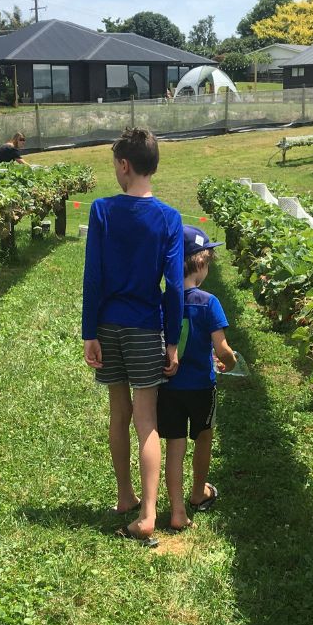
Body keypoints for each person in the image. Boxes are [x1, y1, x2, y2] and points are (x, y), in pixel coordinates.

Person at [82, 127, 184, 547]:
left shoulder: (102, 210)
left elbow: (93, 275)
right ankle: (148, 513)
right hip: (146, 327)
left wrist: (90, 332)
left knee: (118, 414)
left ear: (124, 165)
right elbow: (175, 288)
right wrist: (172, 340)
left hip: (108, 325)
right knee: (147, 423)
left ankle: (125, 495)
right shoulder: (170, 218)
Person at [157, 225, 237, 531]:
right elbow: (222, 347)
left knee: (174, 446)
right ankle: (199, 492)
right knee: (204, 437)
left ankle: (177, 511)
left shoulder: (165, 300)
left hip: (170, 387)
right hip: (203, 386)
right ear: (200, 264)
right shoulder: (208, 302)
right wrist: (229, 362)